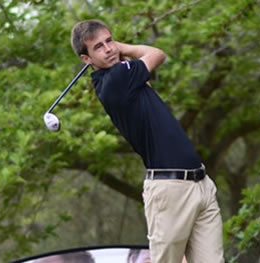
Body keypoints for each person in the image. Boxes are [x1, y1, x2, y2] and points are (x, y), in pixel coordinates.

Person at [70, 20, 224, 263]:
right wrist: (123, 46)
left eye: (110, 40)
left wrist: (115, 50)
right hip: (170, 190)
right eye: (98, 47)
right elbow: (156, 54)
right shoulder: (117, 80)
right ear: (86, 59)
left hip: (201, 184)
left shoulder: (123, 75)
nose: (109, 49)